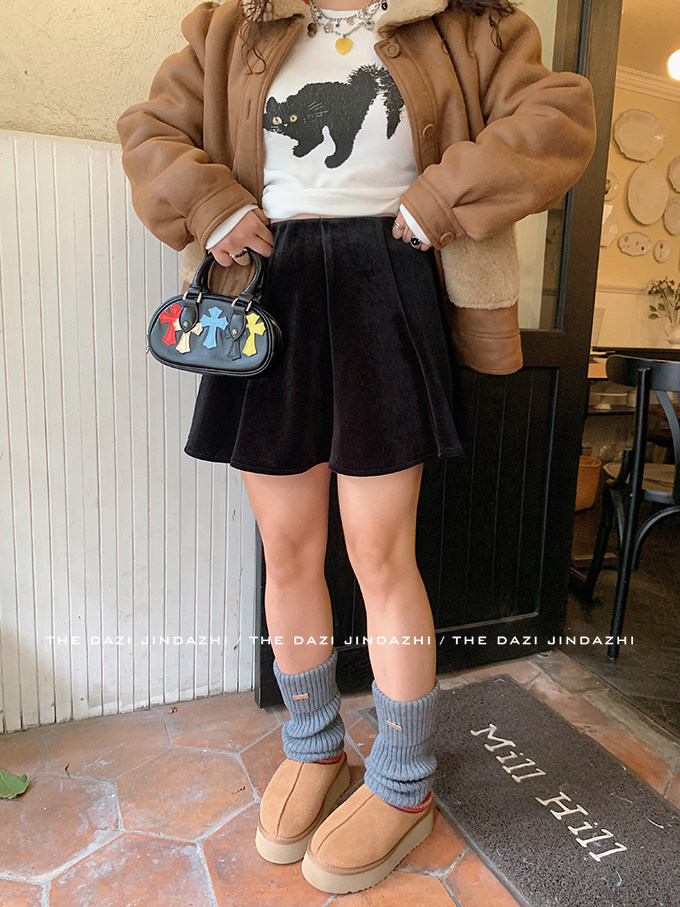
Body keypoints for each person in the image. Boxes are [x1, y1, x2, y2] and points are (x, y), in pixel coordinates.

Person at [117, 0, 597, 894]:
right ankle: (314, 748)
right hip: (268, 288)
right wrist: (211, 205)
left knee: (381, 552)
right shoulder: (234, 22)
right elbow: (151, 129)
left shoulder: (468, 22)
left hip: (387, 281)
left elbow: (558, 116)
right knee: (289, 546)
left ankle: (405, 783)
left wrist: (440, 199)